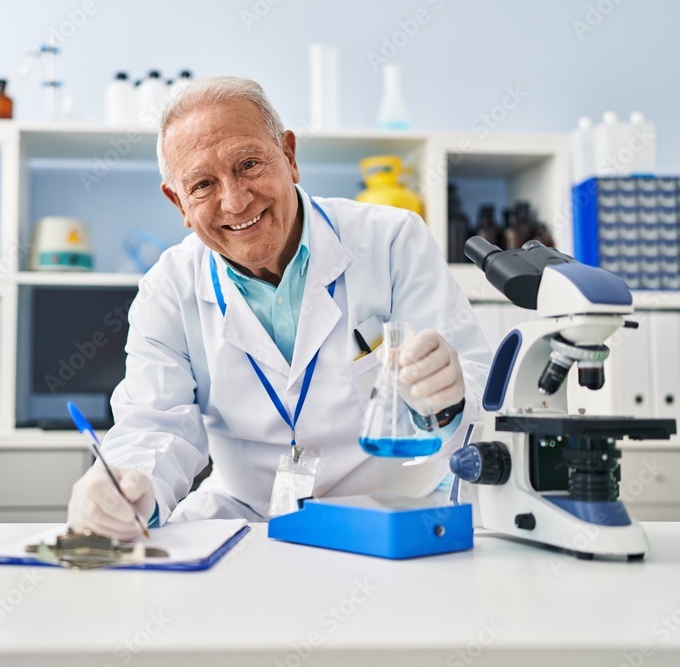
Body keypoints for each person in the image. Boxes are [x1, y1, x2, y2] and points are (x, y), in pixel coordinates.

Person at [67, 76, 492, 539]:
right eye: (203, 185)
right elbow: (154, 425)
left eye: (248, 164)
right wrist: (126, 488)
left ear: (289, 156)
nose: (235, 200)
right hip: (248, 513)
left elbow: (476, 389)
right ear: (179, 203)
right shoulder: (166, 288)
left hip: (389, 513)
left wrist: (449, 395)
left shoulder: (392, 241)